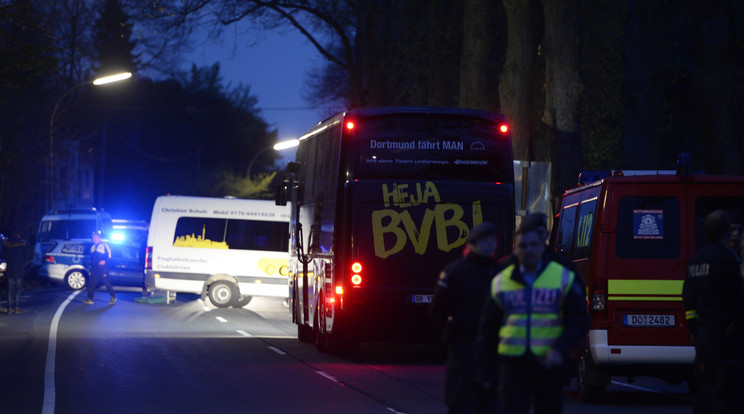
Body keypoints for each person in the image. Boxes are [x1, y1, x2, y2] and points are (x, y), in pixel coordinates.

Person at [475, 220, 588, 414]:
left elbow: (579, 320)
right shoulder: (502, 280)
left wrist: (560, 349)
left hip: (549, 365)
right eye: (523, 245)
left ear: (542, 247)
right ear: (515, 249)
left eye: (533, 245)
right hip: (513, 366)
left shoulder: (562, 276)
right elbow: (488, 328)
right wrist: (485, 370)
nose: (528, 250)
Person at [430, 222, 500, 413]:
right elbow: (438, 311)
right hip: (464, 343)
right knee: (461, 400)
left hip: (492, 346)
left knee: (490, 401)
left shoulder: (500, 272)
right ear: (472, 244)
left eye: (491, 241)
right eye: (484, 241)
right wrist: (450, 335)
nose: (489, 245)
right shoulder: (456, 272)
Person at [683, 210, 744, 414]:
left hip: (702, 334)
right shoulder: (727, 259)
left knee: (703, 385)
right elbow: (737, 297)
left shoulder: (696, 260)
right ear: (725, 232)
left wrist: (694, 328)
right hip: (723, 333)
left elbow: (688, 299)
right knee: (724, 386)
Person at [84, 231, 116, 305]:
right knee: (91, 283)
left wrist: (105, 261)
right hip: (94, 268)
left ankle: (113, 297)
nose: (94, 239)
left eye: (96, 237)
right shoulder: (92, 247)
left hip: (102, 268)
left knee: (107, 283)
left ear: (99, 238)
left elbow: (110, 256)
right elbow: (92, 259)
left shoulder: (104, 245)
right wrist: (90, 268)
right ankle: (90, 299)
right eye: (93, 238)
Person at [1, 231, 29, 314]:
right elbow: (27, 256)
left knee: (10, 289)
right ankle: (17, 307)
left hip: (10, 270)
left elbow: (2, 255)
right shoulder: (22, 244)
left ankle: (9, 308)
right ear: (19, 236)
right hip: (19, 270)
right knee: (18, 289)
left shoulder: (6, 244)